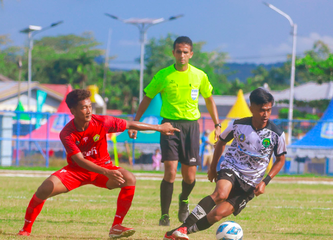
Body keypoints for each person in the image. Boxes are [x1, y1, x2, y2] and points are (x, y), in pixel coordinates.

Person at [17, 89, 179, 239]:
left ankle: (116, 226)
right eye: (83, 107)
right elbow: (80, 160)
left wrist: (159, 127)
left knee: (129, 178)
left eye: (90, 106)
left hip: (103, 168)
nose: (88, 110)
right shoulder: (66, 133)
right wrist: (106, 172)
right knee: (44, 188)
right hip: (77, 171)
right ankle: (26, 229)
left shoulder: (102, 121)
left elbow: (129, 124)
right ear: (72, 111)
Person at [164, 87, 287, 240]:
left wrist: (265, 182)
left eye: (269, 110)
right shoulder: (238, 125)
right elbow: (221, 142)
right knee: (220, 194)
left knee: (217, 215)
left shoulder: (277, 134)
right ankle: (183, 228)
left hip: (251, 183)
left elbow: (280, 159)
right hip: (232, 167)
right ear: (251, 108)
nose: (266, 114)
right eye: (262, 110)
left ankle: (176, 233)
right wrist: (213, 167)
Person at [128, 36, 221, 226]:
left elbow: (209, 100)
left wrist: (217, 124)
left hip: (191, 127)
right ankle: (164, 215)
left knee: (190, 177)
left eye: (185, 52)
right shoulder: (163, 75)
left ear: (191, 54)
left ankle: (184, 200)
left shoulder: (199, 75)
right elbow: (147, 98)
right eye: (178, 51)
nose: (182, 55)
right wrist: (135, 122)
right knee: (170, 171)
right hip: (169, 126)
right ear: (173, 53)